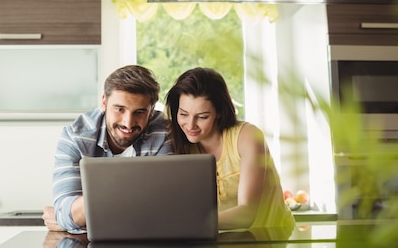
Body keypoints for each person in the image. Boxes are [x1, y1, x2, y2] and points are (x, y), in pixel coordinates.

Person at [42, 65, 173, 233]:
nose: (128, 123)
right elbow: (66, 212)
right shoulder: (75, 137)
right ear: (104, 102)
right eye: (120, 109)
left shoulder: (163, 131)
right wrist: (69, 218)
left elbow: (165, 210)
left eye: (139, 112)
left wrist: (85, 217)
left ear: (151, 110)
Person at [165, 67, 295, 231]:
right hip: (226, 245)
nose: (190, 125)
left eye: (203, 117)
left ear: (219, 112)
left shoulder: (248, 136)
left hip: (272, 240)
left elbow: (247, 213)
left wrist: (188, 225)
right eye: (183, 114)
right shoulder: (181, 147)